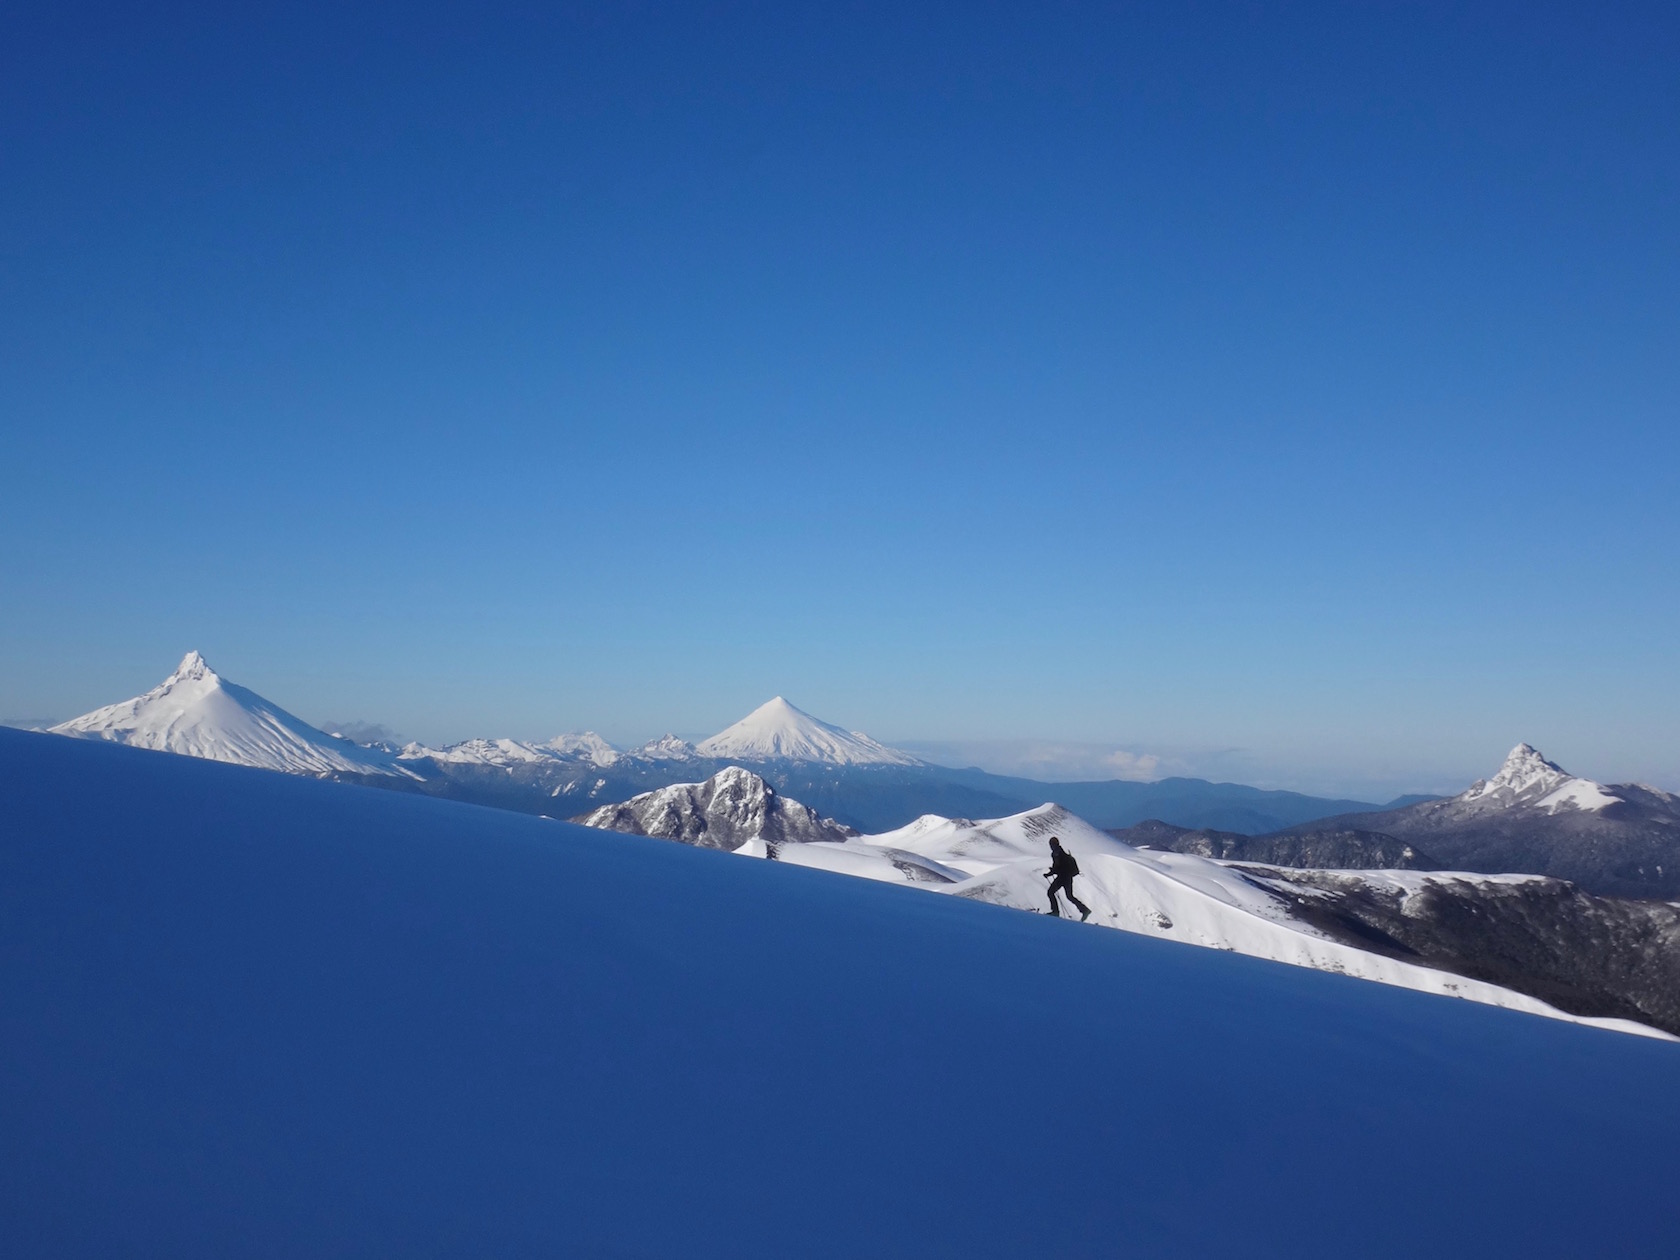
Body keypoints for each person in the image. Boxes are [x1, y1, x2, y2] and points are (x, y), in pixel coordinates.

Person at [1044, 836, 1091, 920]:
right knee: (1069, 896)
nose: (1051, 846)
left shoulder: (1056, 853)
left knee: (1050, 892)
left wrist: (1049, 873)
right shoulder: (1061, 853)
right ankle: (1084, 910)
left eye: (1051, 845)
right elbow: (1059, 867)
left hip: (1062, 877)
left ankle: (1055, 912)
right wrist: (1052, 872)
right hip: (1068, 878)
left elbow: (1058, 867)